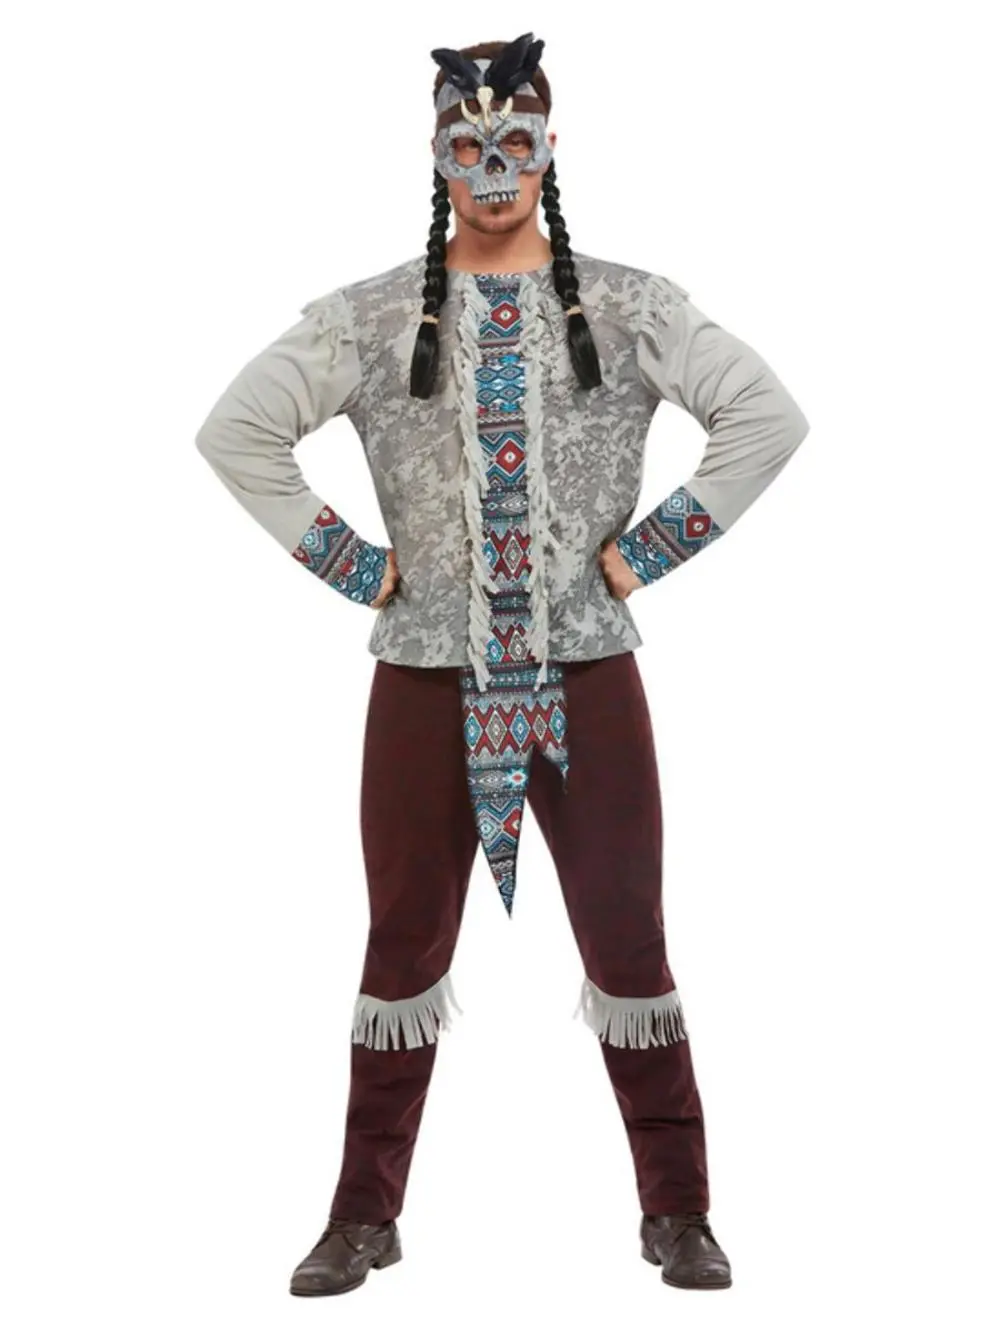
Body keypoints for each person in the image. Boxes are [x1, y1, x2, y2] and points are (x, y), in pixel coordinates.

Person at [194, 31, 809, 1298]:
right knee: (400, 945)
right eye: (466, 146)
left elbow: (765, 414)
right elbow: (238, 428)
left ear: (548, 151)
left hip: (587, 670)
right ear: (435, 157)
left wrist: (644, 553)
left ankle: (678, 1209)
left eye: (513, 143)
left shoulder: (627, 307)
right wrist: (356, 567)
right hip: (426, 675)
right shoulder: (374, 317)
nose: (491, 169)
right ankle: (362, 1215)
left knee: (629, 941)